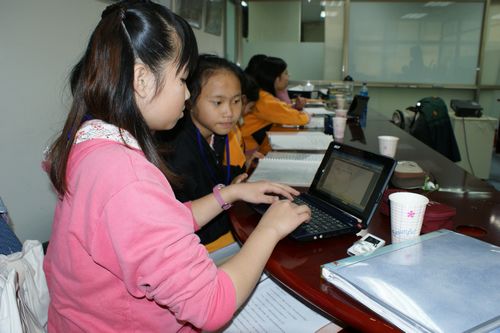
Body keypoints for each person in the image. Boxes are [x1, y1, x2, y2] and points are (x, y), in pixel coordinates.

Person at [43, 1, 311, 332]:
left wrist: (231, 193)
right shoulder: (126, 177)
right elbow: (211, 305)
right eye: (183, 79)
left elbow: (158, 224)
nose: (186, 94)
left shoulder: (92, 140)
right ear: (142, 80)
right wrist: (269, 229)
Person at [156, 54, 248, 249]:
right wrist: (232, 194)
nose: (229, 112)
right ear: (190, 99)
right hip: (199, 245)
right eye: (218, 102)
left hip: (224, 229)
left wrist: (234, 184)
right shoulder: (176, 148)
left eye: (236, 101)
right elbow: (183, 222)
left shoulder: (220, 133)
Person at [240, 56, 310, 155]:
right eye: (285, 73)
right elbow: (301, 119)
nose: (288, 76)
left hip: (252, 144)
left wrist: (294, 108)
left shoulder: (263, 94)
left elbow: (281, 109)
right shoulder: (263, 99)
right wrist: (307, 115)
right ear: (276, 78)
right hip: (248, 149)